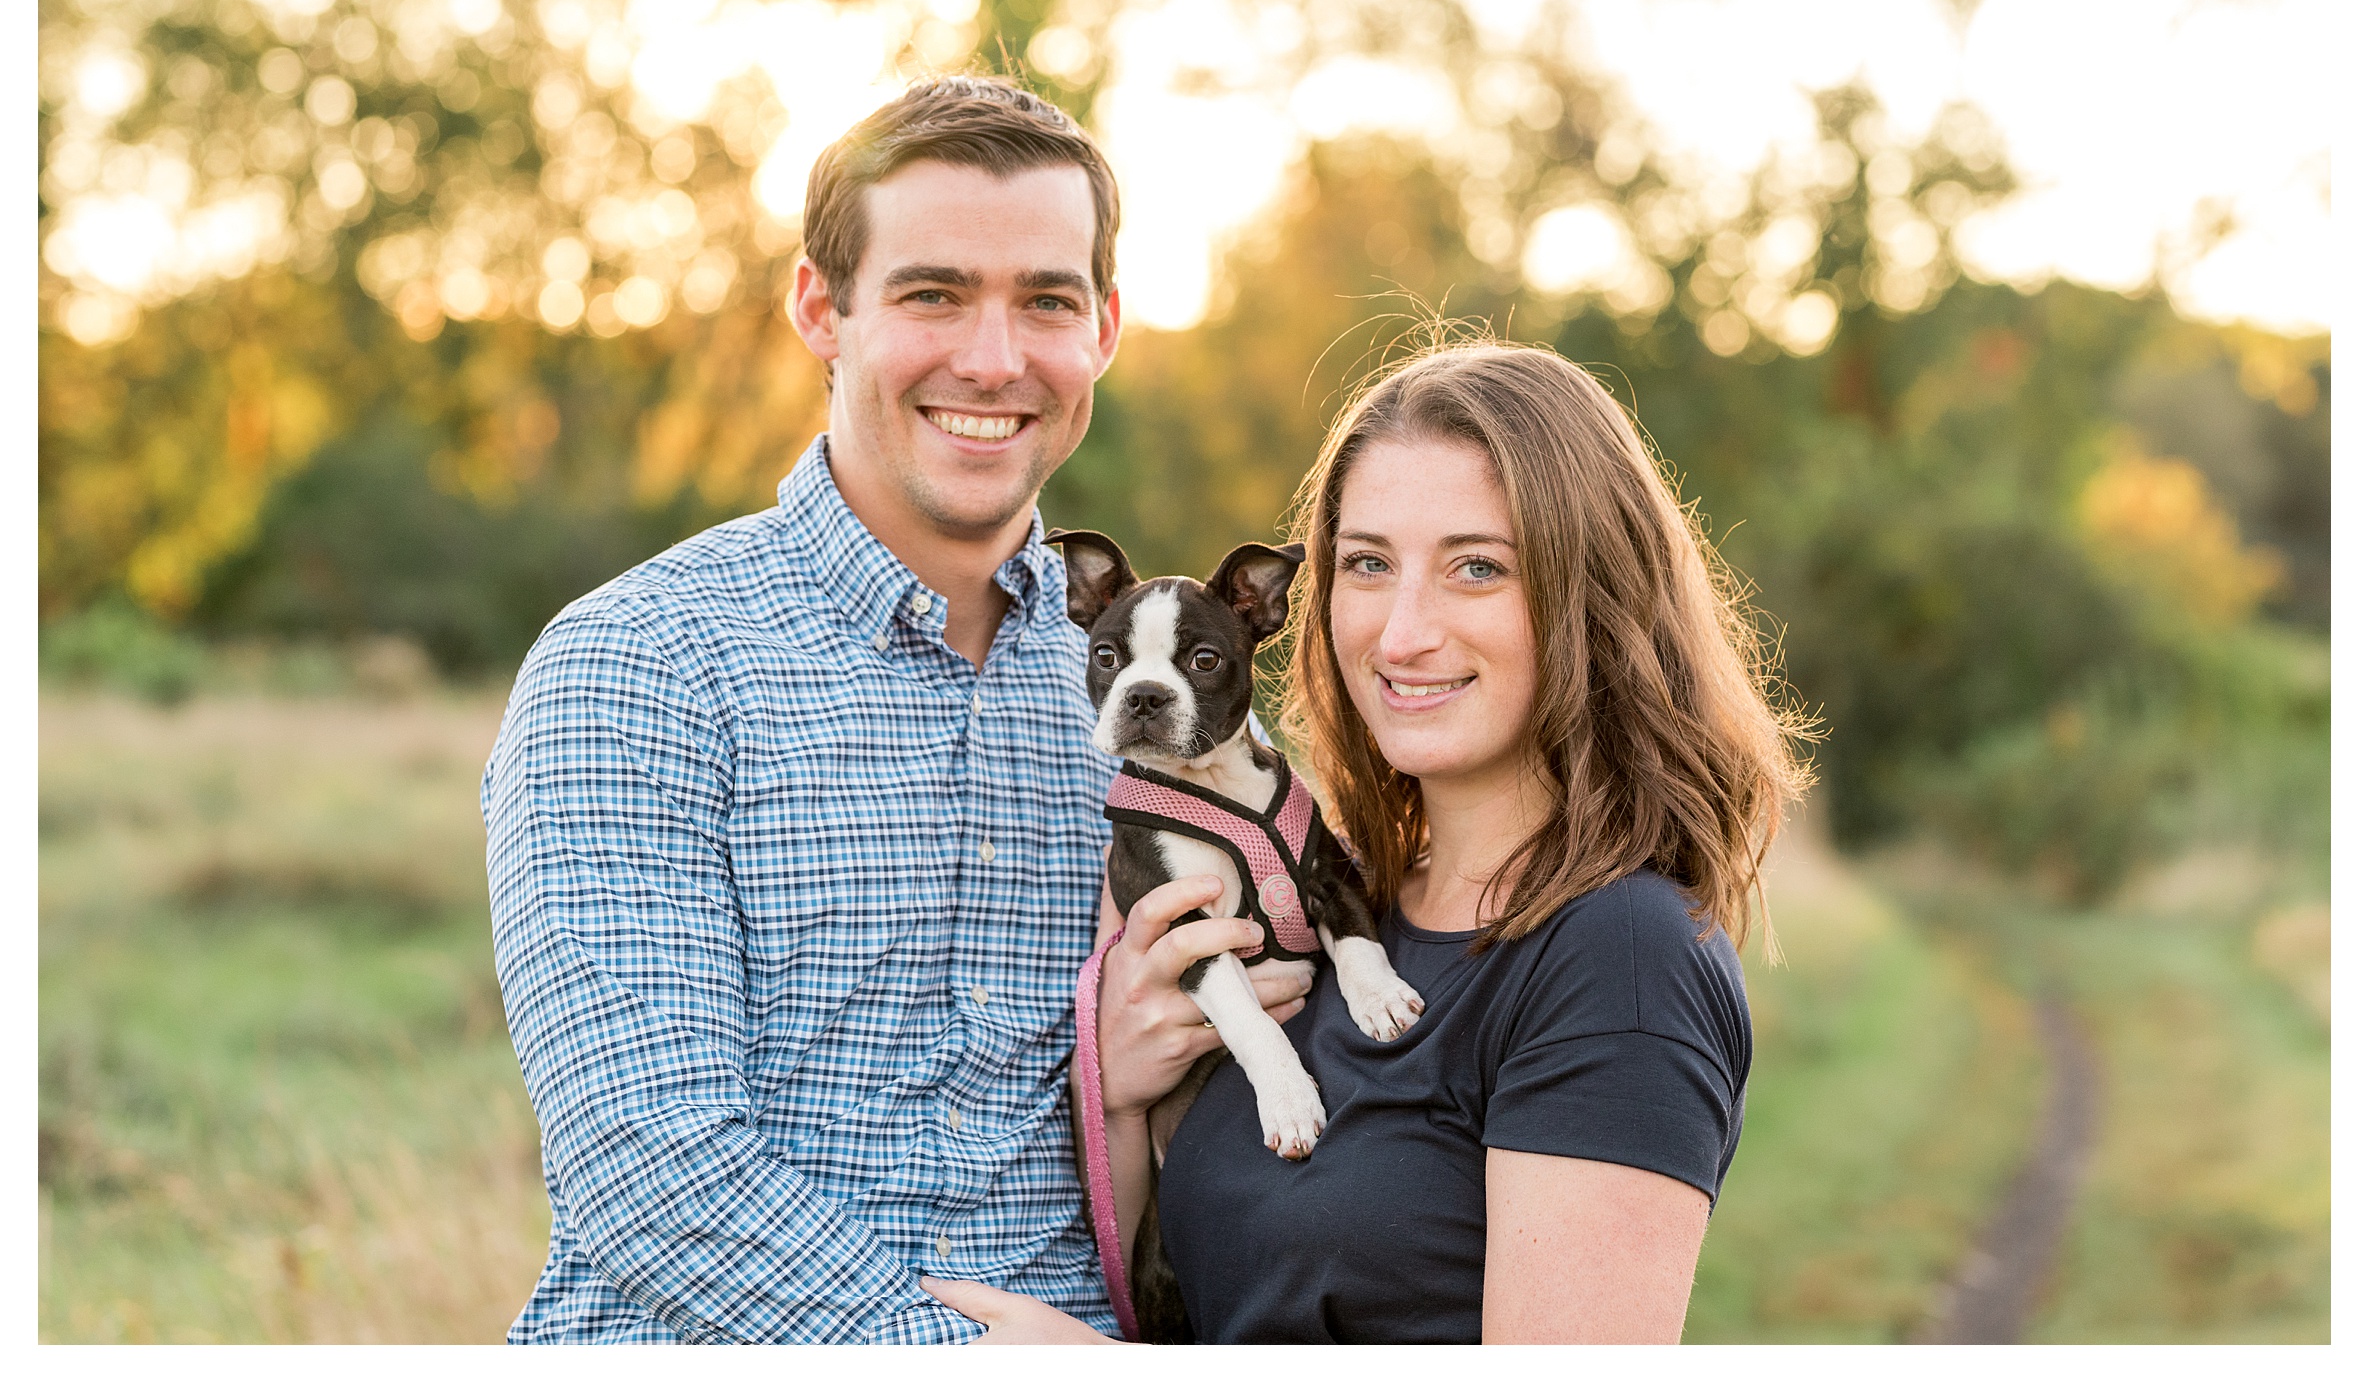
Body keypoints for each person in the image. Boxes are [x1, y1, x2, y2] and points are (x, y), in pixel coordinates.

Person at [482, 75, 1312, 1344]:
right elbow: (652, 1171)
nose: (993, 358)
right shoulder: (639, 667)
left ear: (1103, 329)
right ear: (822, 307)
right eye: (932, 293)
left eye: (1045, 299)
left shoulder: (1157, 693)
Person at [933, 340, 1806, 1342]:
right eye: (1367, 563)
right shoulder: (1335, 902)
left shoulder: (1620, 957)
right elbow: (1203, 1294)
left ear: (1588, 598)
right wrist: (1125, 1094)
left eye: (1477, 566)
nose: (1400, 632)